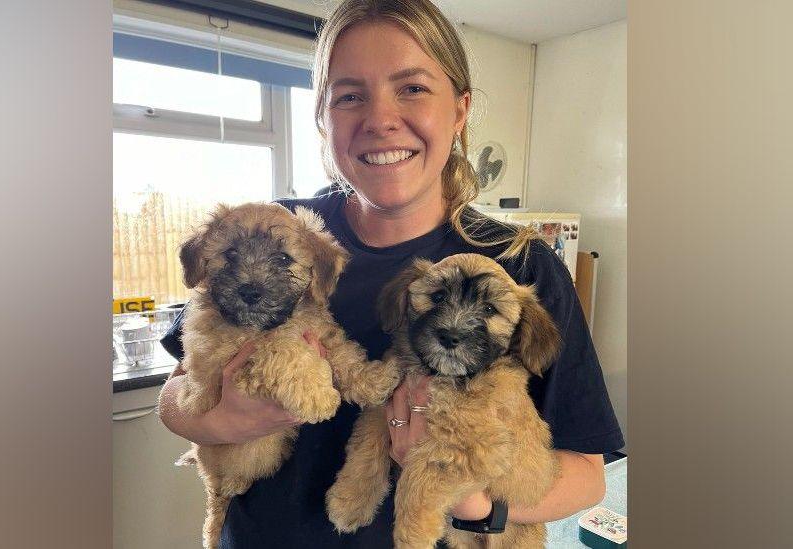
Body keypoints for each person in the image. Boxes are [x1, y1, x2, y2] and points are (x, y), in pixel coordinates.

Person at [157, 1, 623, 547]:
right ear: (323, 119)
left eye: (413, 88)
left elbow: (588, 473)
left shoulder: (521, 265)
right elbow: (178, 388)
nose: (379, 119)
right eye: (350, 95)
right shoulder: (283, 235)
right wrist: (215, 425)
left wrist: (471, 500)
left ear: (460, 109)